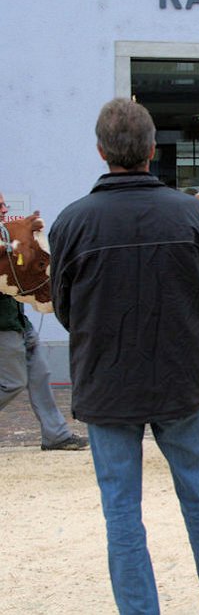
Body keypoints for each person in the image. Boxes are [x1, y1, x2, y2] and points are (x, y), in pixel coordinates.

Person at [48, 98, 199, 614]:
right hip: (179, 380)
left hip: (106, 385)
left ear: (100, 151)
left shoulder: (72, 223)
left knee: (122, 512)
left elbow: (67, 310)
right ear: (152, 150)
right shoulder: (192, 215)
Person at [0, 192, 88, 451]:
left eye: (4, 204)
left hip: (18, 321)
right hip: (2, 325)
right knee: (13, 382)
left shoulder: (6, 233)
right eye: (0, 206)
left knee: (40, 375)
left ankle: (56, 435)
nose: (5, 209)